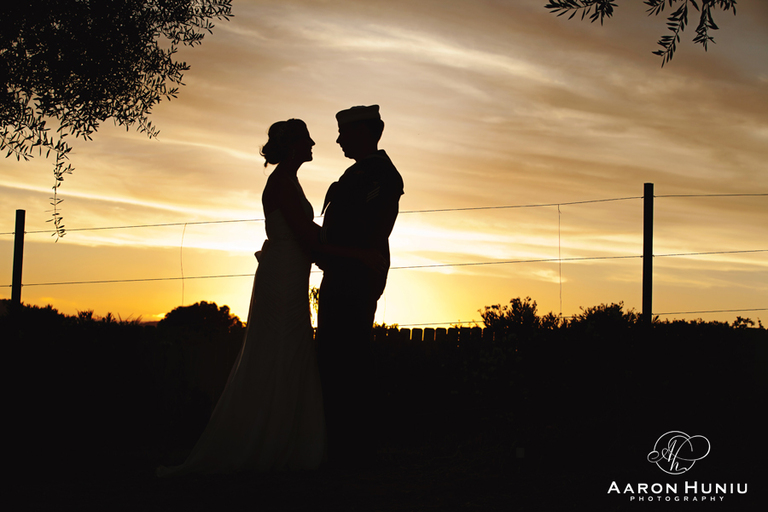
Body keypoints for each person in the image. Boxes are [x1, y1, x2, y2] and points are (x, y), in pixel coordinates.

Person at [157, 119, 380, 476]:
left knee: (289, 352)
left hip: (290, 276)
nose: (313, 144)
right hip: (282, 280)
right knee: (278, 350)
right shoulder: (282, 184)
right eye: (307, 140)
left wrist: (346, 248)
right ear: (293, 146)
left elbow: (309, 235)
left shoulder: (289, 181)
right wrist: (358, 256)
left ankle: (287, 442)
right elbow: (308, 240)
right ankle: (269, 443)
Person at [315, 105, 404, 466]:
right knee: (336, 357)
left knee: (348, 359)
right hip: (342, 272)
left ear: (366, 132)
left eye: (344, 133)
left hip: (355, 277)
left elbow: (371, 233)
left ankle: (354, 445)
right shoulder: (358, 174)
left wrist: (327, 250)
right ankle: (344, 442)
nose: (337, 139)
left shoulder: (381, 176)